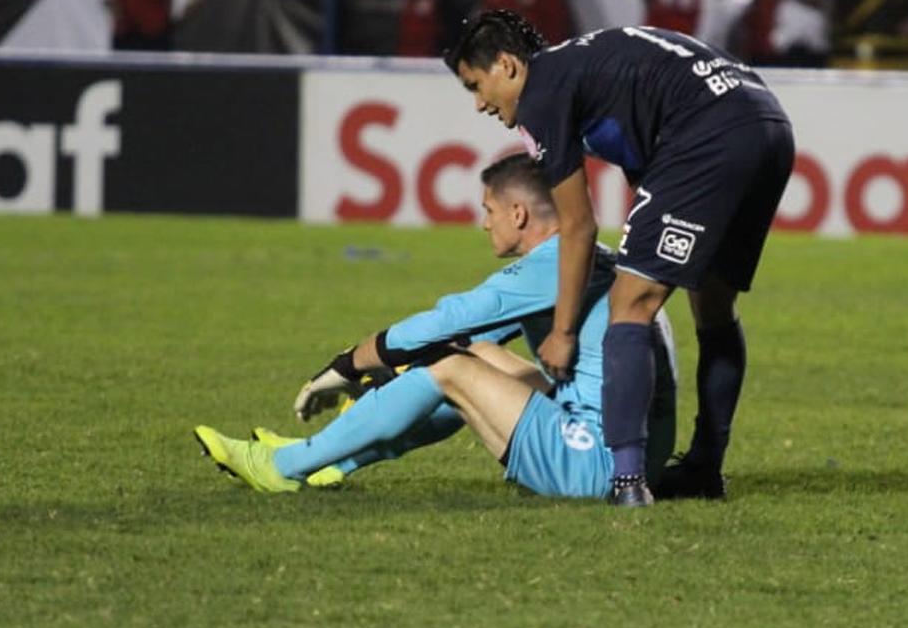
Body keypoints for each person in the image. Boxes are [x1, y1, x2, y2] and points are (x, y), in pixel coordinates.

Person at [446, 10, 795, 506]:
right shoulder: (583, 67)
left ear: (507, 65)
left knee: (629, 303)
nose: (480, 103)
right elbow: (644, 163)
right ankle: (704, 465)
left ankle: (627, 480)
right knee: (714, 306)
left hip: (709, 133)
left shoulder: (542, 93)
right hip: (768, 125)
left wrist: (563, 333)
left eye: (476, 86)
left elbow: (578, 226)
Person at [195, 154, 678, 500]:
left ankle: (284, 467)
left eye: (489, 211)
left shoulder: (548, 265)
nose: (484, 224)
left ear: (518, 213)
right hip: (638, 457)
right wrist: (387, 378)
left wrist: (349, 363)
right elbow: (473, 340)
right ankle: (331, 460)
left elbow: (448, 321)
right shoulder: (594, 259)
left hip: (594, 463)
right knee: (477, 359)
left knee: (451, 370)